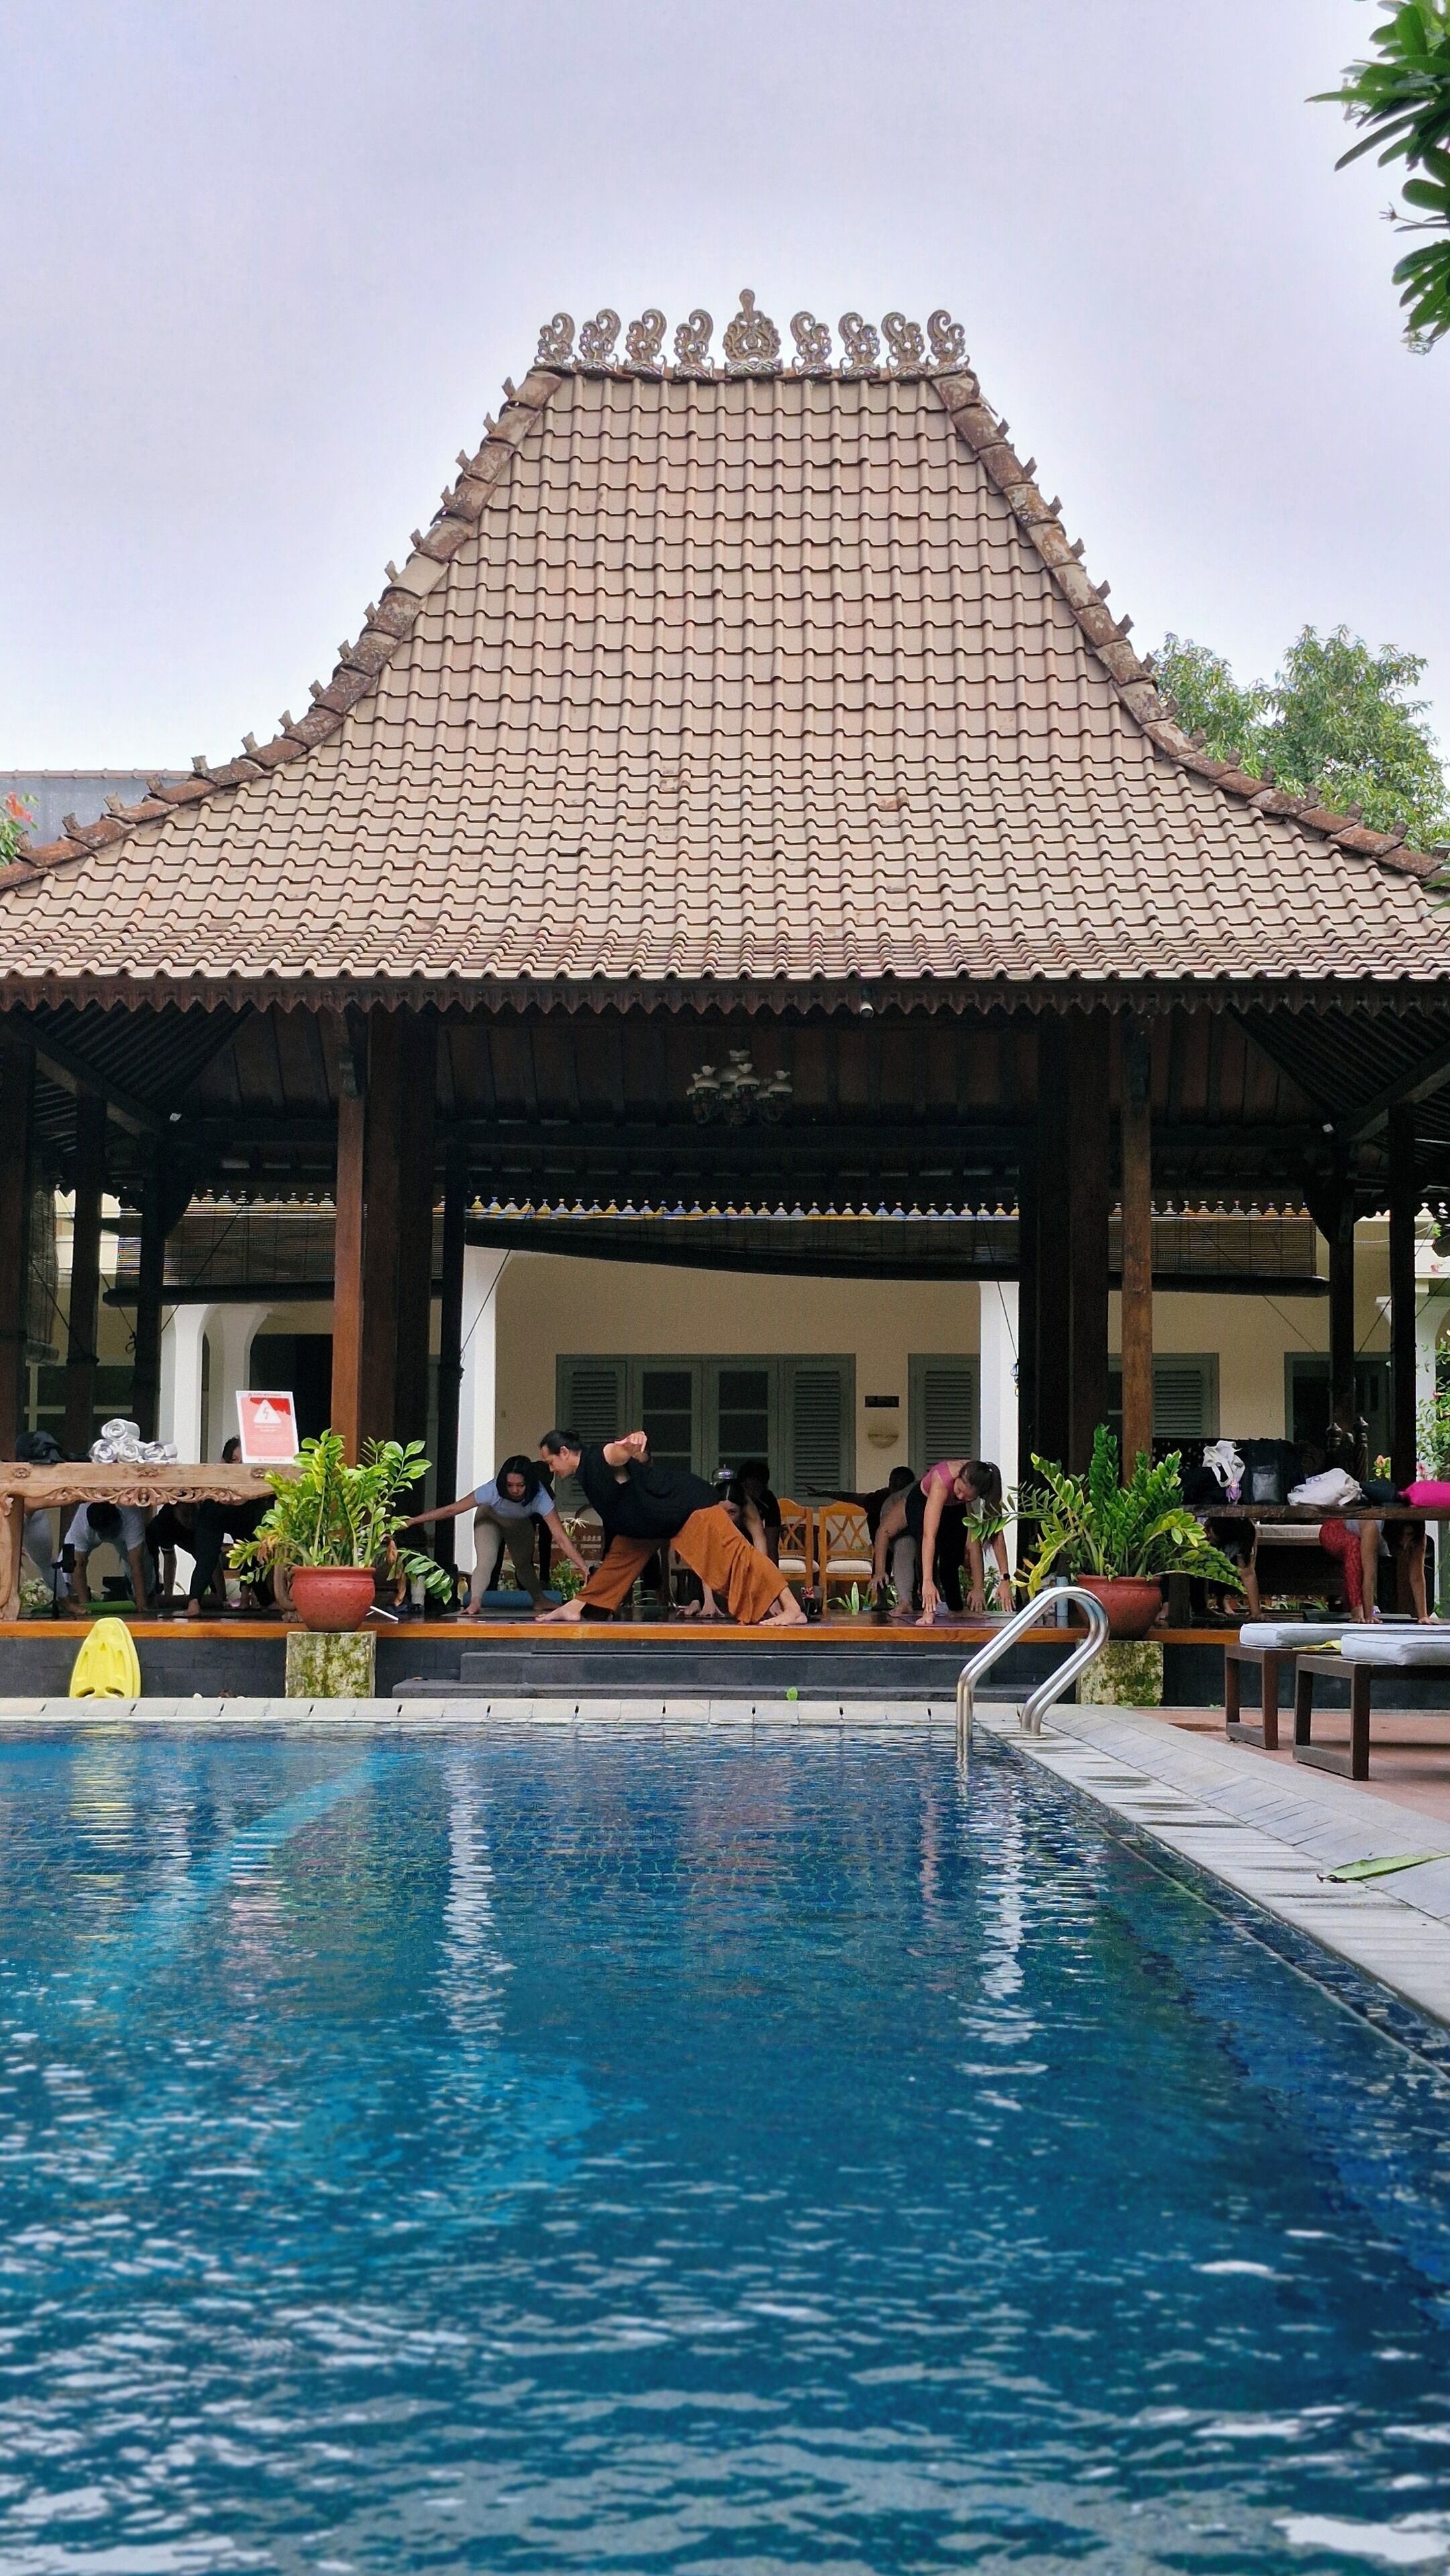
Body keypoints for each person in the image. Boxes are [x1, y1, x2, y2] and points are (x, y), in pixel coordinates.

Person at [535, 1429, 805, 1625]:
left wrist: (631, 1444)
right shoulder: (585, 1474)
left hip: (684, 1505)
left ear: (564, 1453)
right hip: (648, 1522)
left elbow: (616, 1454)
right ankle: (575, 1607)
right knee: (616, 1563)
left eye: (550, 1463)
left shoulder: (596, 1457)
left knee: (737, 1555)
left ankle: (792, 1609)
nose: (552, 1470)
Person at [404, 1455, 589, 1613]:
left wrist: (584, 1568)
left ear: (529, 1483)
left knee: (524, 1564)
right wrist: (412, 1521)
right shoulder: (491, 1490)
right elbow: (450, 1510)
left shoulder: (540, 1496)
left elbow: (561, 1537)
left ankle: (539, 1600)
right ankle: (476, 1601)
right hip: (489, 1518)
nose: (515, 1490)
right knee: (487, 1560)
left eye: (520, 1485)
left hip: (518, 1523)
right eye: (510, 1485)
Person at [908, 1459, 1013, 1625]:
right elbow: (929, 1537)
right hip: (920, 1501)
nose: (961, 1496)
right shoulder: (942, 1482)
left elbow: (995, 1535)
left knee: (953, 1552)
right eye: (960, 1490)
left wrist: (1004, 1579)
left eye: (968, 1498)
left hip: (952, 1506)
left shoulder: (983, 1481)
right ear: (958, 1478)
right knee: (929, 1547)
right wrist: (928, 1581)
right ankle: (928, 1609)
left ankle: (956, 1608)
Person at [185, 1438, 270, 1616]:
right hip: (215, 1513)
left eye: (244, 1461)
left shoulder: (256, 1482)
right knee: (206, 1557)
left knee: (253, 1550)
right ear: (224, 1462)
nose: (240, 1465)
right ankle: (194, 1601)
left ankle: (260, 1598)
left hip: (244, 1515)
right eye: (235, 1460)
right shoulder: (218, 1477)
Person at [63, 1501, 150, 1615]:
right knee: (67, 1563)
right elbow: (78, 1564)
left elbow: (136, 1564)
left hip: (122, 1532)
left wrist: (142, 1604)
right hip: (91, 1533)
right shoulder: (81, 1521)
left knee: (143, 1562)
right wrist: (85, 1606)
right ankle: (67, 1601)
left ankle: (146, 1597)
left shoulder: (131, 1515)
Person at [866, 1464, 923, 1604]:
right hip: (888, 1536)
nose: (895, 1489)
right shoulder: (881, 1497)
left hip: (914, 1531)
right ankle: (882, 1598)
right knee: (893, 1552)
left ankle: (915, 1596)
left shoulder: (917, 1496)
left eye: (900, 1486)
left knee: (918, 1554)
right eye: (894, 1485)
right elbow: (854, 1497)